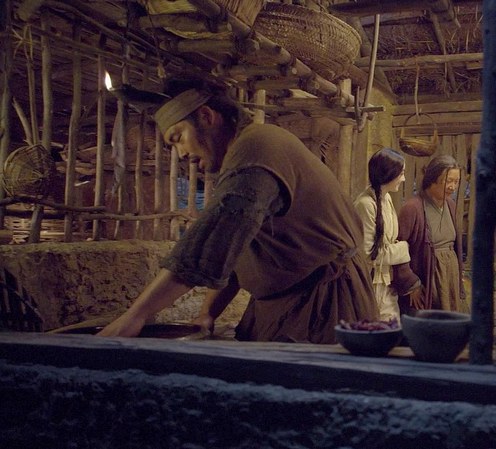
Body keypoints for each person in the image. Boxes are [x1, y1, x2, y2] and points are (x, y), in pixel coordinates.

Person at [97, 73, 377, 343]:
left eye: (178, 137)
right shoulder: (247, 152)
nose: (181, 154)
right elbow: (237, 249)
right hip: (289, 304)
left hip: (323, 308)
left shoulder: (257, 148)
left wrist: (134, 317)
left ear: (206, 117)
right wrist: (208, 313)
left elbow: (207, 247)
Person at [393, 154, 466, 314]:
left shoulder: (451, 205)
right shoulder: (413, 208)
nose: (453, 187)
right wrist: (411, 284)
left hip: (449, 278)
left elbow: (455, 246)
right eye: (448, 181)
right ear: (433, 179)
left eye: (456, 182)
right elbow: (397, 249)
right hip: (426, 280)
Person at [353, 148, 411, 323]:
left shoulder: (386, 199)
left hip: (386, 281)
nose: (404, 179)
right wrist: (403, 248)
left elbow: (386, 243)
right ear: (389, 174)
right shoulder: (366, 204)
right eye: (401, 173)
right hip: (370, 282)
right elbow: (369, 254)